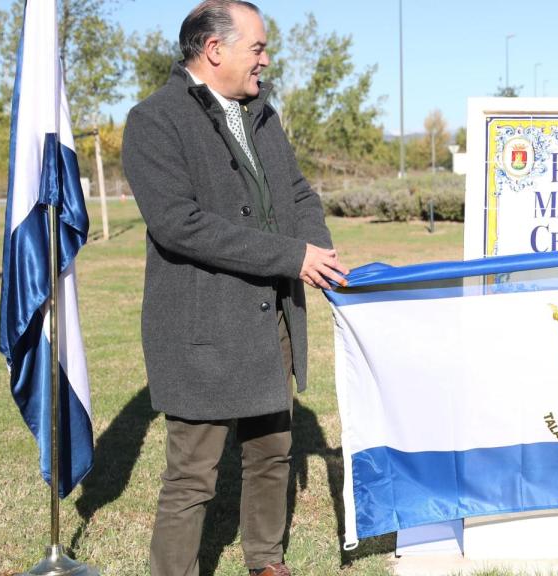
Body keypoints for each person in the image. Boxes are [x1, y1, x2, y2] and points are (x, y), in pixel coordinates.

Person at [122, 2, 349, 575]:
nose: (266, 59)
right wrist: (291, 256)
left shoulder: (263, 114)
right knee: (192, 476)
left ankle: (266, 562)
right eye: (258, 47)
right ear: (214, 49)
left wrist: (316, 254)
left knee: (272, 454)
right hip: (205, 329)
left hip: (270, 317)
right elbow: (179, 224)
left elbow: (298, 195)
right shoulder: (154, 120)